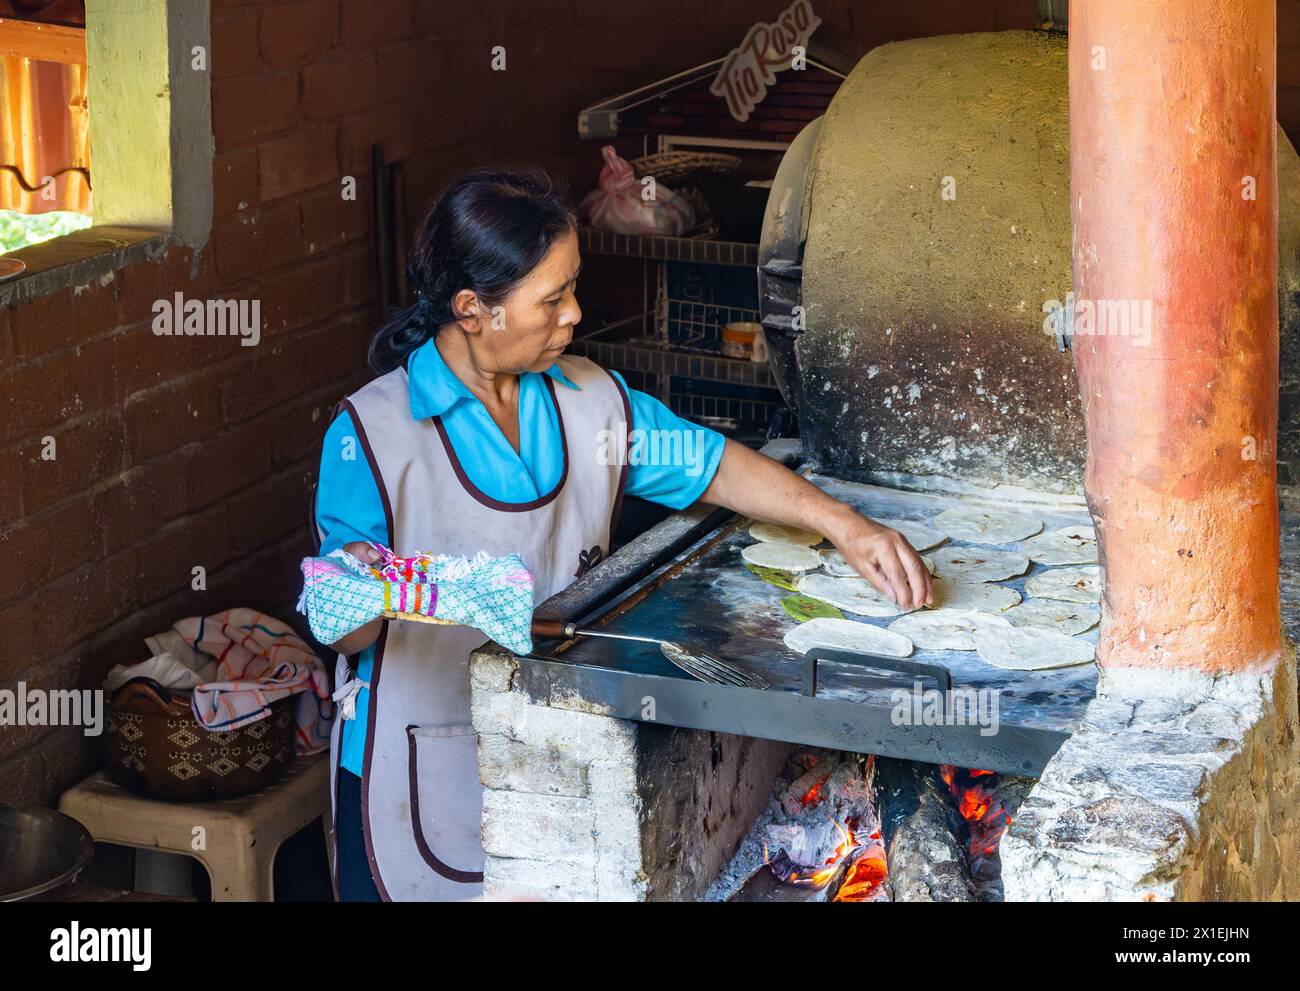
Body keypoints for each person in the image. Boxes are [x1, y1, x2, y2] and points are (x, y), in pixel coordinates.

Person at [313, 167, 932, 901]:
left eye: (574, 287)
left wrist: (845, 525)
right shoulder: (373, 434)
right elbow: (343, 636)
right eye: (552, 299)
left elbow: (711, 465)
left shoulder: (588, 400)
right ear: (474, 309)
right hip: (414, 763)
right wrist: (362, 585)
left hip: (568, 745)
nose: (574, 314)